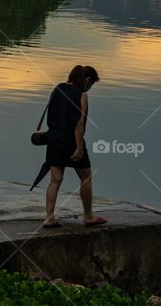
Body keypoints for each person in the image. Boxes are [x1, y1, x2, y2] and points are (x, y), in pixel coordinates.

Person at [42, 65, 105, 228]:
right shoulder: (82, 95)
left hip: (53, 138)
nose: (90, 89)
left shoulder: (58, 88)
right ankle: (89, 216)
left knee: (55, 180)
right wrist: (79, 148)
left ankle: (49, 218)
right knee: (86, 177)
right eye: (91, 85)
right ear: (87, 81)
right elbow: (79, 125)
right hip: (70, 140)